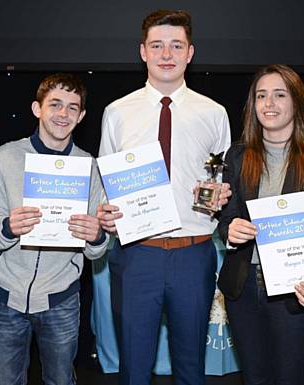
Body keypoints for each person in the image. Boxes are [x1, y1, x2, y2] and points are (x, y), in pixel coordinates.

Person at [97, 9, 232, 385]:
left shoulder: (215, 113)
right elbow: (107, 185)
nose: (166, 54)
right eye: (157, 45)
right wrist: (105, 213)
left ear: (190, 52)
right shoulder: (117, 113)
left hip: (194, 252)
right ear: (143, 51)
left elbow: (221, 180)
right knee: (134, 369)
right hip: (137, 254)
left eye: (176, 45)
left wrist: (222, 195)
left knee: (191, 368)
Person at [0, 73, 108, 385]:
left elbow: (98, 248)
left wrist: (95, 234)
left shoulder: (89, 166)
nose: (62, 114)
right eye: (55, 104)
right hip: (5, 296)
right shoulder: (5, 157)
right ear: (37, 108)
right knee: (6, 381)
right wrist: (9, 228)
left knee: (60, 381)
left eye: (72, 108)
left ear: (81, 117)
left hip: (61, 298)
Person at [216, 64, 304, 385]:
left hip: (293, 291)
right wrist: (230, 231)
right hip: (243, 288)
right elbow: (225, 219)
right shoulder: (238, 156)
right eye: (261, 96)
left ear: (296, 102)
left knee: (288, 378)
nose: (269, 104)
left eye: (279, 95)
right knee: (254, 378)